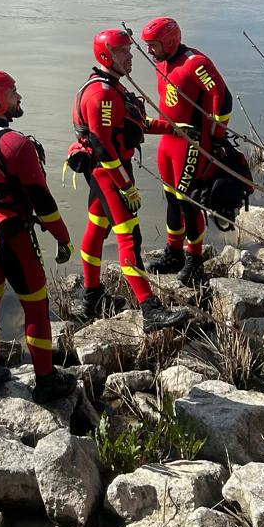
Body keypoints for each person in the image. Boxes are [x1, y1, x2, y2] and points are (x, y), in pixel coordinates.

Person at [0, 71, 76, 403]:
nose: (19, 97)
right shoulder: (16, 145)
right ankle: (46, 381)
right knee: (36, 307)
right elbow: (44, 203)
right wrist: (63, 238)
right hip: (12, 237)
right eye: (13, 93)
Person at [70, 30, 190, 331]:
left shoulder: (113, 88)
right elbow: (102, 144)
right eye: (124, 52)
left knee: (96, 230)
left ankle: (91, 296)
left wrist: (172, 127)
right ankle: (150, 310)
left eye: (130, 50)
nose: (131, 56)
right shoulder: (102, 94)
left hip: (106, 173)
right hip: (109, 174)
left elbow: (134, 123)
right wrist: (126, 186)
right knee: (129, 237)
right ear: (106, 56)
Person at [140, 16, 233, 285]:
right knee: (170, 198)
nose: (149, 51)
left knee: (187, 202)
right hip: (169, 143)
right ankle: (174, 252)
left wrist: (217, 135)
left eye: (153, 45)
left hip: (191, 143)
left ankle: (195, 261)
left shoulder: (195, 63)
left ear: (169, 41)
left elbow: (222, 98)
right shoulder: (164, 63)